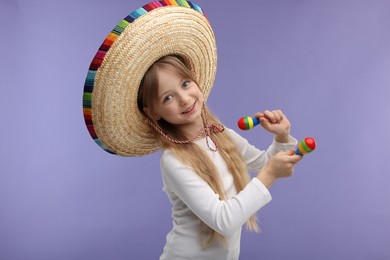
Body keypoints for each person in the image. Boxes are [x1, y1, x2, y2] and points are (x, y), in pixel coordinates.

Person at [83, 1, 302, 259]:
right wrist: (269, 174)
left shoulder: (222, 136)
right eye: (167, 98)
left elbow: (268, 163)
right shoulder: (174, 161)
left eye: (186, 84)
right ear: (153, 113)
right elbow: (224, 220)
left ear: (196, 80)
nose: (185, 99)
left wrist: (282, 137)